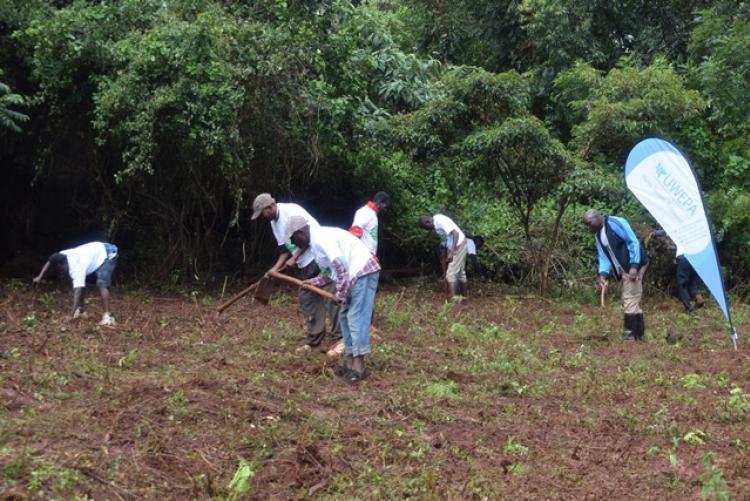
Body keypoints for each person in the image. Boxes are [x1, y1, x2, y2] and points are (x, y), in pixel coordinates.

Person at [284, 216, 380, 383]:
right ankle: (350, 364)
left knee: (355, 317)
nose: (294, 244)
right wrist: (313, 282)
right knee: (344, 317)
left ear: (301, 232)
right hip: (352, 276)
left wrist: (340, 295)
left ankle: (359, 368)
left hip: (363, 271)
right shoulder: (313, 245)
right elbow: (330, 274)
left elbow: (341, 267)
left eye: (293, 239)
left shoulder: (320, 238)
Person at [251, 193, 341, 352]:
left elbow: (309, 235)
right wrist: (274, 269)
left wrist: (295, 257)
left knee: (330, 297)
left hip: (317, 257)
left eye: (263, 213)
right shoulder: (274, 222)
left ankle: (340, 339)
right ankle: (315, 341)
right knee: (307, 298)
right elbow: (284, 250)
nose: (263, 217)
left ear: (270, 207)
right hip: (303, 265)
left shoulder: (292, 212)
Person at [583, 209, 649, 341]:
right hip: (623, 269)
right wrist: (603, 274)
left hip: (634, 264)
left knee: (629, 296)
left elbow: (633, 241)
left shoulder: (616, 223)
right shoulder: (598, 236)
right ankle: (639, 335)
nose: (588, 228)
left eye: (589, 224)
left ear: (597, 217)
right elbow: (603, 257)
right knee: (633, 297)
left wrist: (634, 266)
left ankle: (630, 336)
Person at [33, 241, 118, 326]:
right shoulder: (62, 255)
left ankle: (108, 316)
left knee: (101, 283)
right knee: (81, 282)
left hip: (108, 253)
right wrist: (39, 276)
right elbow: (50, 261)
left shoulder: (76, 267)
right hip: (97, 249)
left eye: (60, 269)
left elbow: (78, 292)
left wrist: (71, 315)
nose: (61, 271)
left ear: (63, 264)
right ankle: (81, 310)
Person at [651, 229, 705, 313]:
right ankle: (697, 296)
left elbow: (665, 232)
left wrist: (654, 233)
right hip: (695, 256)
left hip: (684, 258)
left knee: (682, 283)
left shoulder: (677, 227)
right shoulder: (691, 228)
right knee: (691, 280)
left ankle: (688, 307)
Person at [419, 213, 468, 299]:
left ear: (427, 222)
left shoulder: (439, 220)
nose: (430, 230)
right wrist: (445, 250)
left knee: (450, 274)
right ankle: (464, 297)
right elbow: (447, 238)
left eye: (427, 228)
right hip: (457, 245)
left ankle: (453, 301)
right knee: (460, 273)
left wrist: (452, 252)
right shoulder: (437, 223)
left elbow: (455, 234)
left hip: (459, 245)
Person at [349, 191, 390, 256]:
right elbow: (355, 230)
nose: (385, 208)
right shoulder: (365, 211)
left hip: (369, 254)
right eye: (385, 205)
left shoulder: (373, 214)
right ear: (380, 202)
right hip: (362, 254)